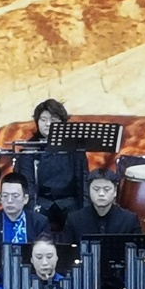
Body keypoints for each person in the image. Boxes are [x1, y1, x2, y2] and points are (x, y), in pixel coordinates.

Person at [63, 169, 143, 289]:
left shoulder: (129, 220)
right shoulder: (75, 219)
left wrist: (129, 285)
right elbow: (67, 255)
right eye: (96, 189)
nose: (101, 194)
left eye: (106, 189)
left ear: (115, 192)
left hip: (118, 284)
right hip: (83, 282)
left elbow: (138, 257)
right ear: (89, 191)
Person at [17, 99, 89, 231]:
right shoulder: (30, 149)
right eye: (43, 119)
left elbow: (83, 181)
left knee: (78, 221)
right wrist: (31, 212)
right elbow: (28, 185)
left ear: (62, 122)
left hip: (69, 201)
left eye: (53, 120)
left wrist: (86, 210)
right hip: (41, 201)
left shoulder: (75, 148)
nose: (48, 124)